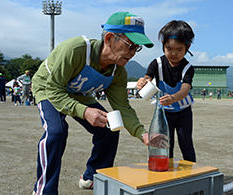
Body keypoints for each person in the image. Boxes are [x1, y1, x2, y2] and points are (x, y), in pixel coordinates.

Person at [31, 11, 155, 195]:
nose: (133, 52)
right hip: (49, 89)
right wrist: (84, 111)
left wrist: (144, 134)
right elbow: (54, 90)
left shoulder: (118, 72)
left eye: (137, 48)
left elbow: (123, 108)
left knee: (110, 129)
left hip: (78, 92)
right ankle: (44, 191)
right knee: (56, 132)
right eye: (131, 45)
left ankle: (92, 177)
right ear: (109, 38)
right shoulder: (76, 50)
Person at [137, 20, 196, 162]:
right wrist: (143, 82)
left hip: (183, 112)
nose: (174, 53)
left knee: (186, 142)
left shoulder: (188, 68)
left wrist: (174, 98)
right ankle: (166, 169)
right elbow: (147, 78)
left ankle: (193, 171)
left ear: (187, 47)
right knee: (165, 143)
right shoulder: (156, 63)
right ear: (163, 44)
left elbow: (185, 89)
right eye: (169, 48)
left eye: (179, 49)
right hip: (163, 113)